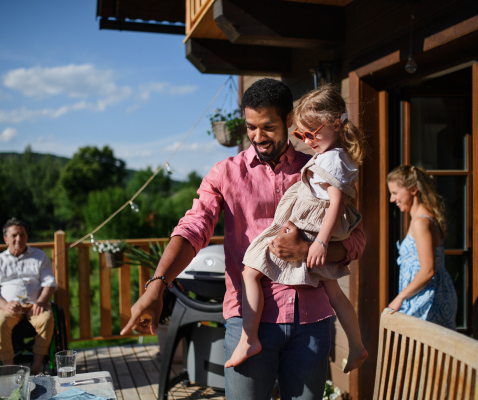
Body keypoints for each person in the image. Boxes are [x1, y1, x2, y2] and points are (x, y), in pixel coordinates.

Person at [120, 78, 366, 400]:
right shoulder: (225, 173)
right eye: (251, 127)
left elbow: (356, 239)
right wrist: (157, 284)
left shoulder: (319, 169)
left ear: (289, 121)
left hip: (311, 319)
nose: (258, 137)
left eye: (268, 127)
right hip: (248, 318)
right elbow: (193, 228)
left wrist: (307, 250)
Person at [225, 84, 368, 373]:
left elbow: (337, 202)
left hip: (313, 227)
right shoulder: (335, 155)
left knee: (250, 270)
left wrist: (320, 243)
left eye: (312, 133)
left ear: (336, 124)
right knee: (335, 293)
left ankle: (248, 338)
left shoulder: (332, 160)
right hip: (313, 227)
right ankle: (357, 346)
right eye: (301, 135)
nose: (307, 141)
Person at [0, 218, 57, 375]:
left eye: (22, 235)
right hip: (9, 307)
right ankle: (9, 371)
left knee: (47, 319)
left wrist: (42, 301)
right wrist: (4, 305)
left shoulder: (39, 256)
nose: (18, 239)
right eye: (14, 235)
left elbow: (49, 283)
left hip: (35, 305)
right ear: (5, 239)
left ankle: (36, 370)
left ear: (27, 237)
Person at [386, 165, 457, 329]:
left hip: (427, 297)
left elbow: (428, 270)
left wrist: (400, 298)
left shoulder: (421, 222)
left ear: (413, 190)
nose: (392, 199)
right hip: (424, 294)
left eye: (395, 193)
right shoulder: (419, 219)